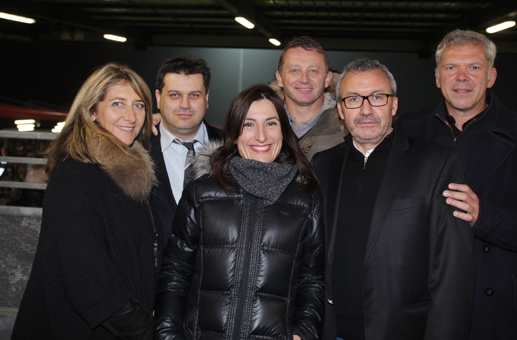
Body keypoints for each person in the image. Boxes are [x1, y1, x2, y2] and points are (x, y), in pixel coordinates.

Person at [396, 29, 517, 340]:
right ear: (438, 77)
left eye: (474, 68)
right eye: (452, 68)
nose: (462, 77)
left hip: (494, 318)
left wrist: (485, 216)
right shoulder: (404, 133)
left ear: (491, 76)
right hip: (417, 313)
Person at [311, 58, 474, 340]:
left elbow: (452, 274)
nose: (365, 109)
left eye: (377, 97)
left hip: (403, 331)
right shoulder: (323, 164)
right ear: (340, 109)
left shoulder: (435, 164)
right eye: (353, 99)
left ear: (394, 105)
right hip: (331, 331)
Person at [155, 84, 324, 339]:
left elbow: (313, 280)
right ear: (234, 133)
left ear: (283, 131)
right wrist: (167, 336)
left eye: (271, 123)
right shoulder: (201, 193)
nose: (261, 136)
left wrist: (304, 333)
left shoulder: (306, 199)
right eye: (248, 124)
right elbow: (175, 274)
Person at [12, 63, 158, 339]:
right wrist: (148, 330)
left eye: (139, 105)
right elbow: (89, 280)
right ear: (92, 111)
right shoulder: (77, 175)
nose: (131, 116)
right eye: (118, 104)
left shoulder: (123, 172)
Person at [150, 55, 222, 246]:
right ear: (158, 98)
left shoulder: (232, 150)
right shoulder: (135, 150)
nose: (185, 104)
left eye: (194, 95)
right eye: (174, 95)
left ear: (206, 98)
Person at [275, 36, 345, 161]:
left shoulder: (348, 131)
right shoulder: (257, 128)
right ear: (279, 78)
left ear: (327, 79)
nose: (304, 79)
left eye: (313, 71)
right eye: (295, 70)